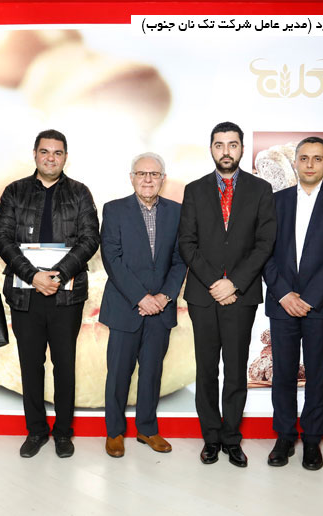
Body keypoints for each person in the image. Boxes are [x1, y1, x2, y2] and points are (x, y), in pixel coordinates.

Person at [0, 129, 99, 458]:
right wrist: (33, 276)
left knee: (64, 365)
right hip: (25, 294)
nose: (51, 158)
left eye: (57, 152)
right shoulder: (15, 191)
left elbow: (90, 239)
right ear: (35, 154)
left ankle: (64, 433)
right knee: (31, 365)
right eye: (45, 151)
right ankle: (36, 431)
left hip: (66, 295)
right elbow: (1, 236)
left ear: (65, 157)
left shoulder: (80, 193)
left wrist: (59, 274)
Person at [179, 121, 276, 467]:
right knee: (206, 370)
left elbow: (265, 243)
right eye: (219, 145)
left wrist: (233, 283)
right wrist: (215, 283)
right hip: (203, 296)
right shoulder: (194, 190)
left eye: (232, 145)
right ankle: (210, 438)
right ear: (211, 148)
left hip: (241, 295)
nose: (226, 151)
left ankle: (232, 438)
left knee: (235, 371)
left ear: (242, 148)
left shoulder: (261, 190)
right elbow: (186, 243)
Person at [262, 137, 323, 470]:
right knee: (283, 374)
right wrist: (285, 294)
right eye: (304, 158)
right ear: (295, 163)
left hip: (321, 304)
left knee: (317, 374)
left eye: (317, 158)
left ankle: (312, 440)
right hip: (282, 302)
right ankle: (285, 437)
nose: (310, 164)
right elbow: (265, 251)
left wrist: (310, 299)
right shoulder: (276, 201)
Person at [99, 152, 187, 458]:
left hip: (161, 309)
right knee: (118, 374)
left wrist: (163, 297)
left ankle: (147, 429)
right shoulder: (114, 210)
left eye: (154, 174)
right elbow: (112, 258)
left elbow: (181, 259)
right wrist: (141, 298)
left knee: (152, 372)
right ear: (132, 177)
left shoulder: (177, 212)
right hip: (126, 307)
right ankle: (114, 432)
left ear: (163, 179)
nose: (147, 179)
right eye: (141, 173)